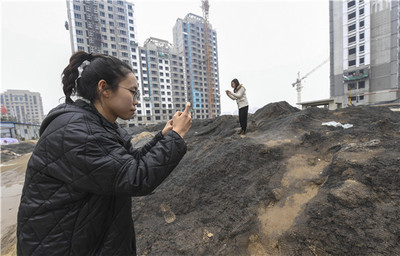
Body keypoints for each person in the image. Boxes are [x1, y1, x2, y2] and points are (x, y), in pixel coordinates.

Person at [17, 51, 192, 255]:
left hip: (85, 240)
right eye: (133, 92)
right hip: (61, 246)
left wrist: (164, 135)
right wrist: (177, 136)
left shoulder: (99, 126)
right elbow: (135, 177)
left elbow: (129, 162)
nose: (137, 101)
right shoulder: (76, 132)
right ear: (104, 88)